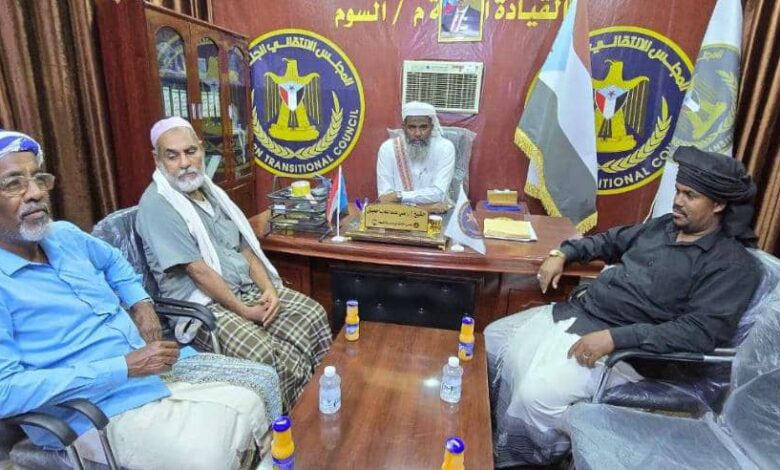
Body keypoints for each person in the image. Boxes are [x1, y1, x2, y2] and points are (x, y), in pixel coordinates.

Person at [0, 130, 277, 469]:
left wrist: (142, 305)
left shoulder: (65, 236)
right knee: (216, 446)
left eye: (38, 179)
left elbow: (114, 262)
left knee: (260, 387)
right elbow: (6, 392)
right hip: (92, 412)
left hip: (149, 372)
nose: (34, 193)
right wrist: (123, 367)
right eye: (13, 184)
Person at [485, 146, 762, 467]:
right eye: (678, 191)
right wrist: (564, 253)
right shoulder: (664, 227)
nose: (678, 201)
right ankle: (494, 432)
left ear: (719, 204)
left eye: (690, 195)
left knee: (536, 395)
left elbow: (698, 332)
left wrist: (616, 338)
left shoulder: (731, 265)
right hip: (579, 314)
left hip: (629, 352)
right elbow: (609, 241)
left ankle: (528, 459)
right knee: (493, 339)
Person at [136, 117, 332, 409]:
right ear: (158, 160)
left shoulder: (211, 192)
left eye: (190, 152)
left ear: (201, 149)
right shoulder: (157, 205)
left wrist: (269, 289)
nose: (185, 163)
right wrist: (245, 311)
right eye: (172, 156)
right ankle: (288, 420)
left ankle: (318, 400)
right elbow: (198, 271)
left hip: (245, 288)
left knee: (311, 315)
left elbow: (245, 248)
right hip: (204, 307)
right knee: (263, 353)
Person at [376, 101, 456, 205]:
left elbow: (439, 194)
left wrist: (399, 196)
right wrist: (424, 208)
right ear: (404, 128)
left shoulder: (445, 148)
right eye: (412, 127)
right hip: (398, 212)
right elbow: (385, 197)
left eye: (423, 127)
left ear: (431, 127)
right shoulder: (388, 149)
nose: (418, 133)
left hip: (438, 212)